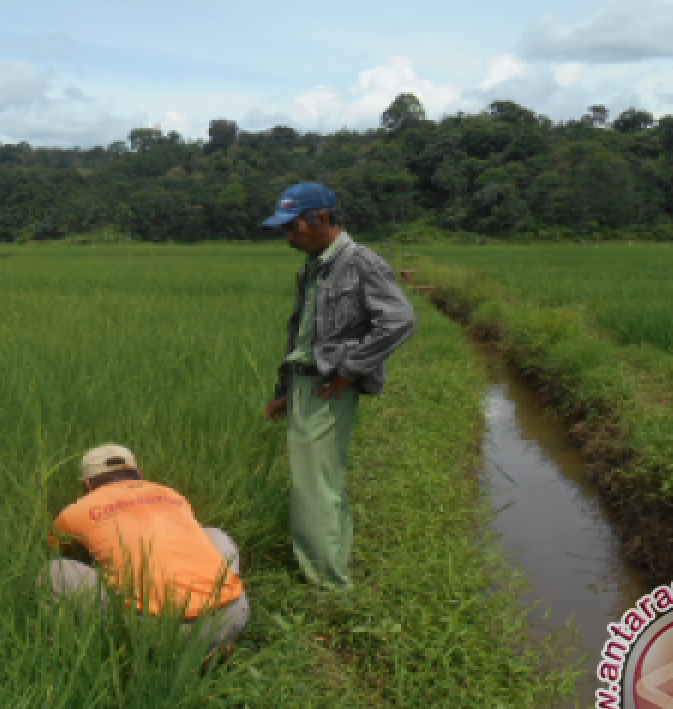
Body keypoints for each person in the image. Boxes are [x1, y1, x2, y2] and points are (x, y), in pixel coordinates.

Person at [261, 182, 416, 591]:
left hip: (326, 384)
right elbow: (301, 333)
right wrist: (282, 391)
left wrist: (349, 369)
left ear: (323, 219)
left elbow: (399, 320)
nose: (288, 237)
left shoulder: (360, 262)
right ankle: (333, 563)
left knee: (312, 486)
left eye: (293, 227)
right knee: (322, 479)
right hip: (304, 382)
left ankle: (327, 583)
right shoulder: (313, 265)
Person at [46, 444, 249, 650]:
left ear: (87, 485)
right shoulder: (172, 494)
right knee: (213, 533)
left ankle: (74, 647)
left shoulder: (74, 511)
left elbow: (56, 547)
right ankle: (217, 642)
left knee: (52, 571)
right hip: (233, 613)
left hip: (164, 632)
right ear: (139, 475)